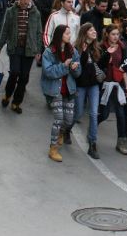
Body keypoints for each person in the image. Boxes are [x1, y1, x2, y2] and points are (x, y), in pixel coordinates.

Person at [0, 0, 44, 113]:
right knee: (15, 72)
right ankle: (7, 94)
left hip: (29, 48)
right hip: (15, 47)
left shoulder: (35, 13)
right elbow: (4, 30)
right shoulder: (11, 11)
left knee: (24, 77)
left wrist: (38, 50)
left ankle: (16, 102)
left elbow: (39, 32)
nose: (26, 1)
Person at [43, 25, 81, 163]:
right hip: (55, 90)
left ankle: (60, 133)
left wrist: (75, 68)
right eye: (66, 33)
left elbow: (78, 72)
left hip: (69, 89)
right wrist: (64, 66)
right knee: (58, 118)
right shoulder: (49, 51)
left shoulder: (73, 50)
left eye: (70, 33)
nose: (69, 36)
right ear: (59, 35)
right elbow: (48, 72)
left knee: (69, 120)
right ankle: (53, 148)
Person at [98, 25, 127, 155]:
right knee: (105, 114)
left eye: (117, 34)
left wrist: (126, 86)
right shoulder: (102, 47)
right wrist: (107, 58)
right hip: (105, 84)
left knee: (121, 114)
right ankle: (93, 129)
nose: (116, 37)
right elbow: (99, 65)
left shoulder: (122, 47)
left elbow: (124, 68)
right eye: (113, 34)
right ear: (107, 35)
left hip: (118, 84)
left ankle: (121, 142)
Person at [74, 23, 102, 159]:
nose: (94, 31)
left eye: (94, 29)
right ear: (85, 33)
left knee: (94, 113)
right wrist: (84, 52)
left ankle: (92, 143)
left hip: (93, 85)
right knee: (78, 112)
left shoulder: (97, 47)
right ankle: (66, 129)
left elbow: (100, 64)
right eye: (91, 30)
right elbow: (79, 67)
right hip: (81, 84)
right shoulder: (77, 48)